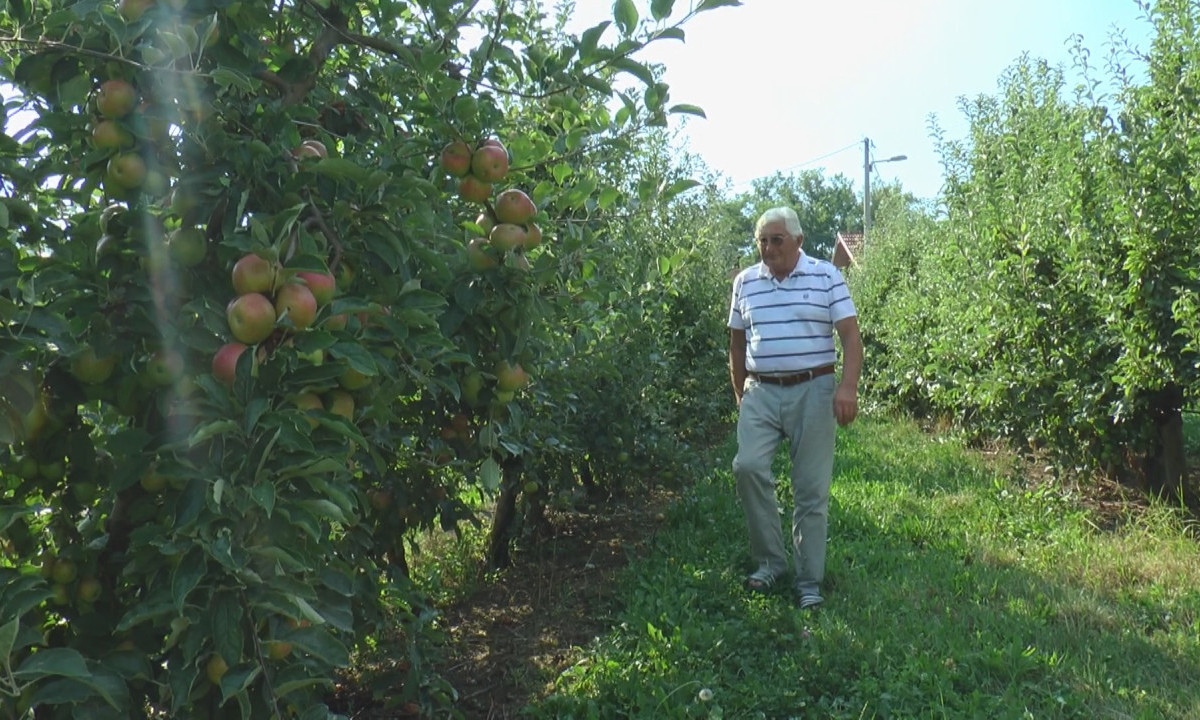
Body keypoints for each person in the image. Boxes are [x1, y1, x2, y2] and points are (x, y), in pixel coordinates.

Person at [727, 207, 863, 609]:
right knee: (747, 467)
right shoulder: (745, 283)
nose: (768, 248)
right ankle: (771, 561)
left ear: (798, 241)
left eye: (776, 240)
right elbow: (735, 342)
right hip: (761, 391)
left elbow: (851, 338)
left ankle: (809, 580)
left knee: (810, 489)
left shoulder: (826, 276)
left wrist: (847, 387)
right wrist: (741, 394)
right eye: (762, 241)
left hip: (814, 389)